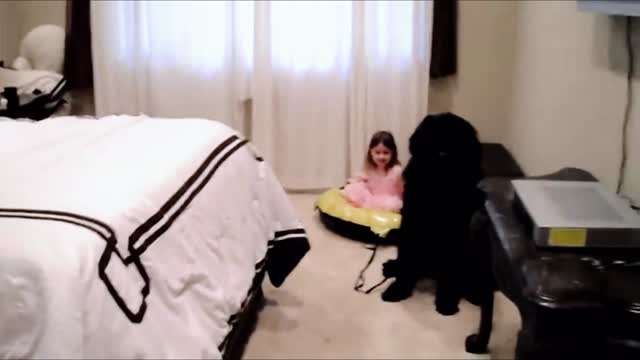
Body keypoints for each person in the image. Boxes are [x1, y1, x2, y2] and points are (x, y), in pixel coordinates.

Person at [342, 131, 403, 213]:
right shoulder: (370, 169)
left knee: (392, 205)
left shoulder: (396, 170)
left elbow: (403, 189)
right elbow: (361, 177)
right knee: (353, 189)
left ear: (392, 153)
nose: (381, 156)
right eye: (377, 152)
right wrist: (354, 182)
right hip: (372, 198)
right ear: (371, 152)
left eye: (386, 153)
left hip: (390, 201)